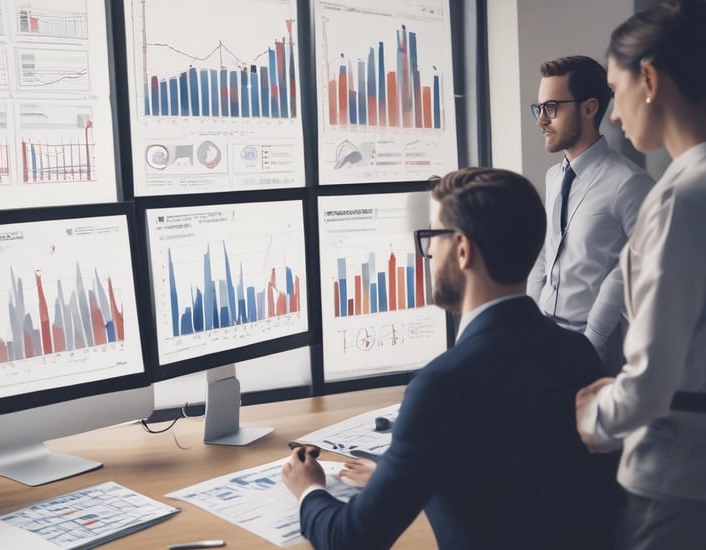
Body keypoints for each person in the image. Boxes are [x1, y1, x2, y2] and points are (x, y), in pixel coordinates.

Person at [282, 167, 620, 550]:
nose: (427, 254)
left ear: (462, 250)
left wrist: (309, 489)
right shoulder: (577, 353)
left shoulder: (443, 384)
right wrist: (399, 474)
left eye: (430, 238)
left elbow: (350, 539)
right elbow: (516, 483)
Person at [576, 1, 706, 548]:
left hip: (675, 482)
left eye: (614, 88)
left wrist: (592, 418)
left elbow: (651, 386)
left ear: (648, 78)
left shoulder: (682, 198)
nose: (611, 115)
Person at [527, 55, 654, 373]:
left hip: (594, 348)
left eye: (551, 107)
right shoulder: (554, 177)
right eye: (539, 108)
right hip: (543, 338)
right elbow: (546, 251)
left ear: (588, 108)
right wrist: (529, 321)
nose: (542, 120)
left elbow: (633, 266)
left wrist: (592, 340)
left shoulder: (629, 183)